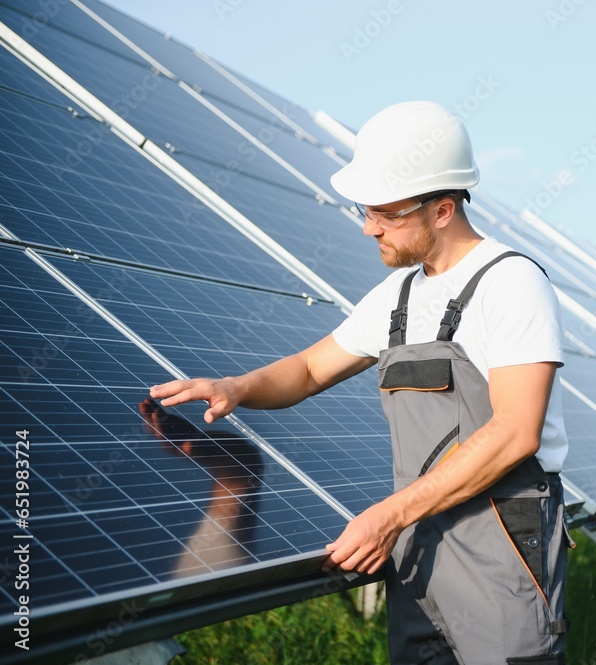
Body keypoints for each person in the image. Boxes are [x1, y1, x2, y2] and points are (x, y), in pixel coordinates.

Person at [149, 100, 571, 664]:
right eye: (365, 210)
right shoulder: (396, 297)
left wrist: (390, 515)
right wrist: (236, 387)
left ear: (442, 209)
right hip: (417, 533)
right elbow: (306, 370)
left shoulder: (510, 283)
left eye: (385, 213)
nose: (370, 227)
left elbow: (517, 431)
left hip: (497, 531)